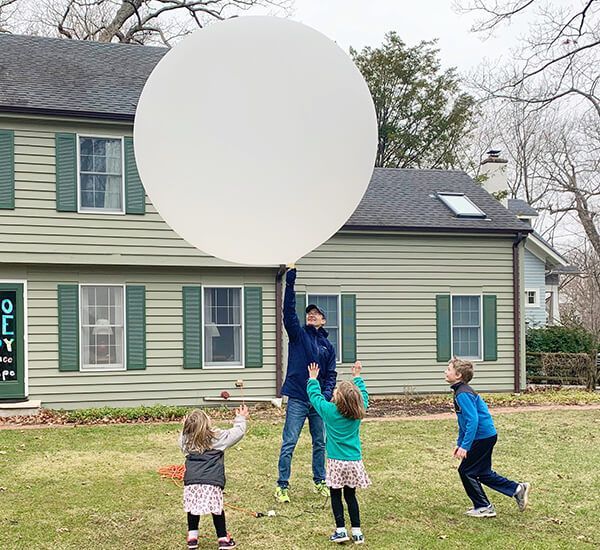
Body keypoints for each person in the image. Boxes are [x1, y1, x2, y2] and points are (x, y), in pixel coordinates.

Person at [275, 265, 338, 503]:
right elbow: (288, 311)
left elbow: (331, 373)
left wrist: (326, 395)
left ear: (323, 320)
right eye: (309, 313)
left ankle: (320, 480)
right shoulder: (298, 335)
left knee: (319, 442)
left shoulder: (328, 347)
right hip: (299, 398)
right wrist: (290, 280)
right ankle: (282, 485)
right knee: (289, 441)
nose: (311, 315)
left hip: (317, 403)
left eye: (316, 314)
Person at [445, 357, 531, 518]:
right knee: (482, 472)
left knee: (466, 471)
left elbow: (473, 420)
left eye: (449, 369)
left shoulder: (463, 393)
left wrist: (466, 446)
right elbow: (463, 421)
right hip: (486, 436)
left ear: (458, 375)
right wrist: (460, 443)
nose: (445, 372)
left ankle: (484, 506)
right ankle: (517, 489)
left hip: (482, 437)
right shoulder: (460, 391)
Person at [307, 360, 370, 545]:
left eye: (336, 391)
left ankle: (341, 529)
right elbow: (364, 396)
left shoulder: (329, 411)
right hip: (354, 461)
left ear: (338, 398)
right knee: (351, 495)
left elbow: (315, 397)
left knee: (335, 494)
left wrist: (313, 379)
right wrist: (357, 376)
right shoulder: (359, 412)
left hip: (336, 462)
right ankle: (357, 532)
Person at [180, 405, 248, 550]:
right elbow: (237, 433)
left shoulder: (186, 440)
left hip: (191, 483)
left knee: (193, 509)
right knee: (217, 510)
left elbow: (182, 441)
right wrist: (240, 418)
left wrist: (185, 428)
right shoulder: (217, 437)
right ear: (207, 423)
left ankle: (192, 538)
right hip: (211, 482)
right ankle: (223, 539)